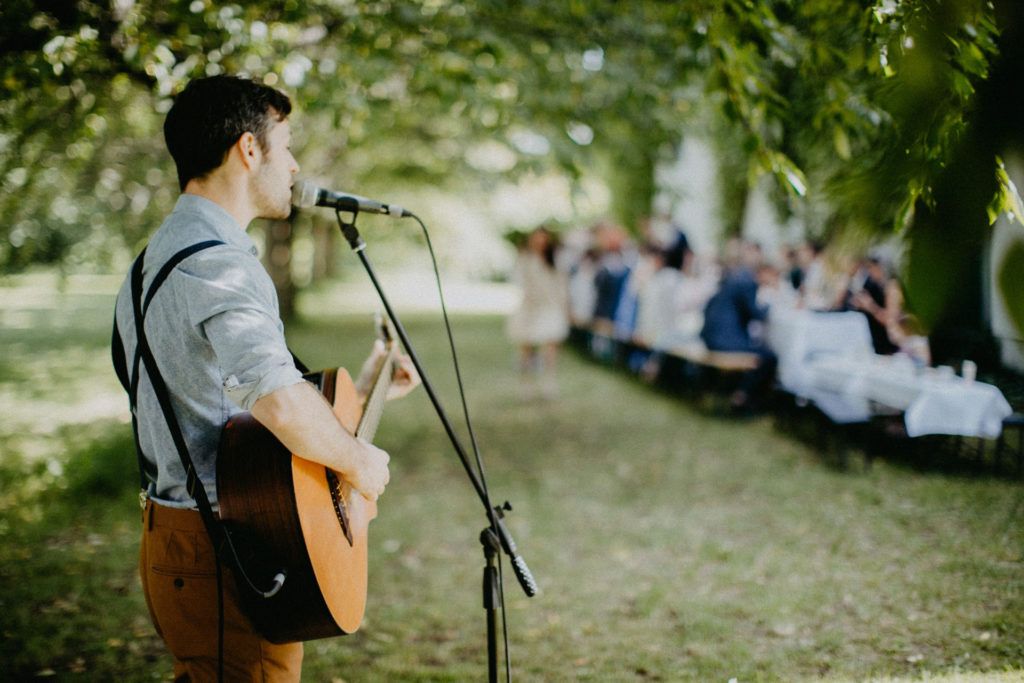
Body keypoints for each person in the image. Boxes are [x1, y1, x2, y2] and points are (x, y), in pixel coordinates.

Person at [111, 75, 418, 682]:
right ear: (249, 150)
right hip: (228, 547)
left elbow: (229, 410)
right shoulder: (220, 263)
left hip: (183, 537)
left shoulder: (156, 259)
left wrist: (364, 383)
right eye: (287, 143)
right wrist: (357, 462)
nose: (296, 163)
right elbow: (276, 405)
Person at [506, 225, 571, 398]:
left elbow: (562, 284)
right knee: (526, 348)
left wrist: (563, 305)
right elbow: (518, 280)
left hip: (550, 307)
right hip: (530, 307)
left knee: (550, 348)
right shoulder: (525, 258)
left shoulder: (556, 258)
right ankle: (525, 383)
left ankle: (548, 383)